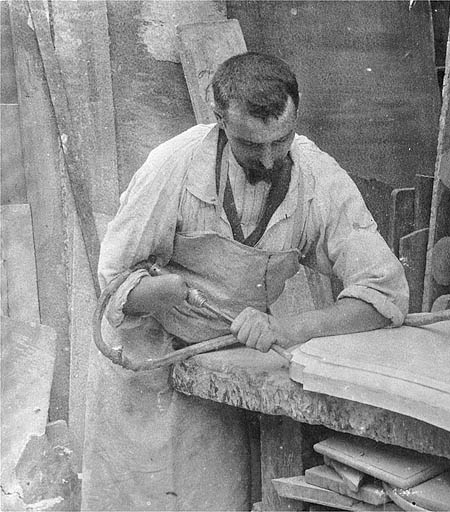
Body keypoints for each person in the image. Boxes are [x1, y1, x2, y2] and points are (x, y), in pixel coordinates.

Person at [82, 52, 409, 511]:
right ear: (219, 122)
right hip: (146, 372)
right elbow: (113, 281)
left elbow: (385, 292)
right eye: (252, 145)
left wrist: (290, 329)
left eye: (283, 138)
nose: (272, 157)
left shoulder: (317, 178)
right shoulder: (172, 166)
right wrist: (154, 293)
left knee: (215, 500)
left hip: (223, 367)